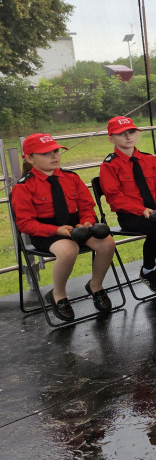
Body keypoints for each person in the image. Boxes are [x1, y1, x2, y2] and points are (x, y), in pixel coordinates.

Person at [12, 133, 115, 321]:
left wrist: (86, 222)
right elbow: (25, 223)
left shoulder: (71, 177)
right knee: (69, 249)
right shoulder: (24, 186)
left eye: (55, 151)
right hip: (45, 231)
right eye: (45, 153)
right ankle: (58, 294)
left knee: (106, 242)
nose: (53, 156)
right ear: (29, 159)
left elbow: (86, 206)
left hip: (75, 225)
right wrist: (55, 230)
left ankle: (95, 285)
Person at [99, 116, 156, 292]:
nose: (128, 137)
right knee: (155, 225)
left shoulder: (148, 159)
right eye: (121, 134)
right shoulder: (109, 166)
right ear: (111, 138)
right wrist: (142, 210)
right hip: (131, 216)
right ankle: (147, 270)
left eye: (131, 132)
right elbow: (114, 197)